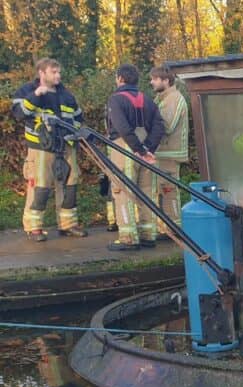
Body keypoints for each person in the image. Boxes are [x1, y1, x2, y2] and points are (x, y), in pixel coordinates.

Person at [10, 57, 88, 241]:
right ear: (42, 73)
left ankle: (68, 224)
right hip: (41, 147)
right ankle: (34, 227)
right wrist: (36, 95)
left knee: (70, 185)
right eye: (54, 72)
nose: (58, 75)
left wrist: (75, 133)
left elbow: (78, 117)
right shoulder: (27, 91)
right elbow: (19, 114)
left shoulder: (67, 95)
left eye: (59, 72)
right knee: (40, 186)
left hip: (66, 146)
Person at [106, 63, 165, 251]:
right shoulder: (148, 100)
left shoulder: (115, 100)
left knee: (123, 191)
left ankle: (128, 237)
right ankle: (149, 235)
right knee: (147, 192)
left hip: (125, 148)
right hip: (146, 151)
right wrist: (148, 148)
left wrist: (137, 148)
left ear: (120, 79)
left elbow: (122, 127)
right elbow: (159, 126)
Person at [149, 64, 189, 241]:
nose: (151, 82)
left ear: (166, 80)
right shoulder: (163, 98)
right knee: (163, 190)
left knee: (169, 190)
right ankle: (168, 228)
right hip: (163, 153)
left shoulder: (173, 99)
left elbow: (166, 126)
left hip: (169, 154)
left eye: (155, 79)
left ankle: (174, 229)